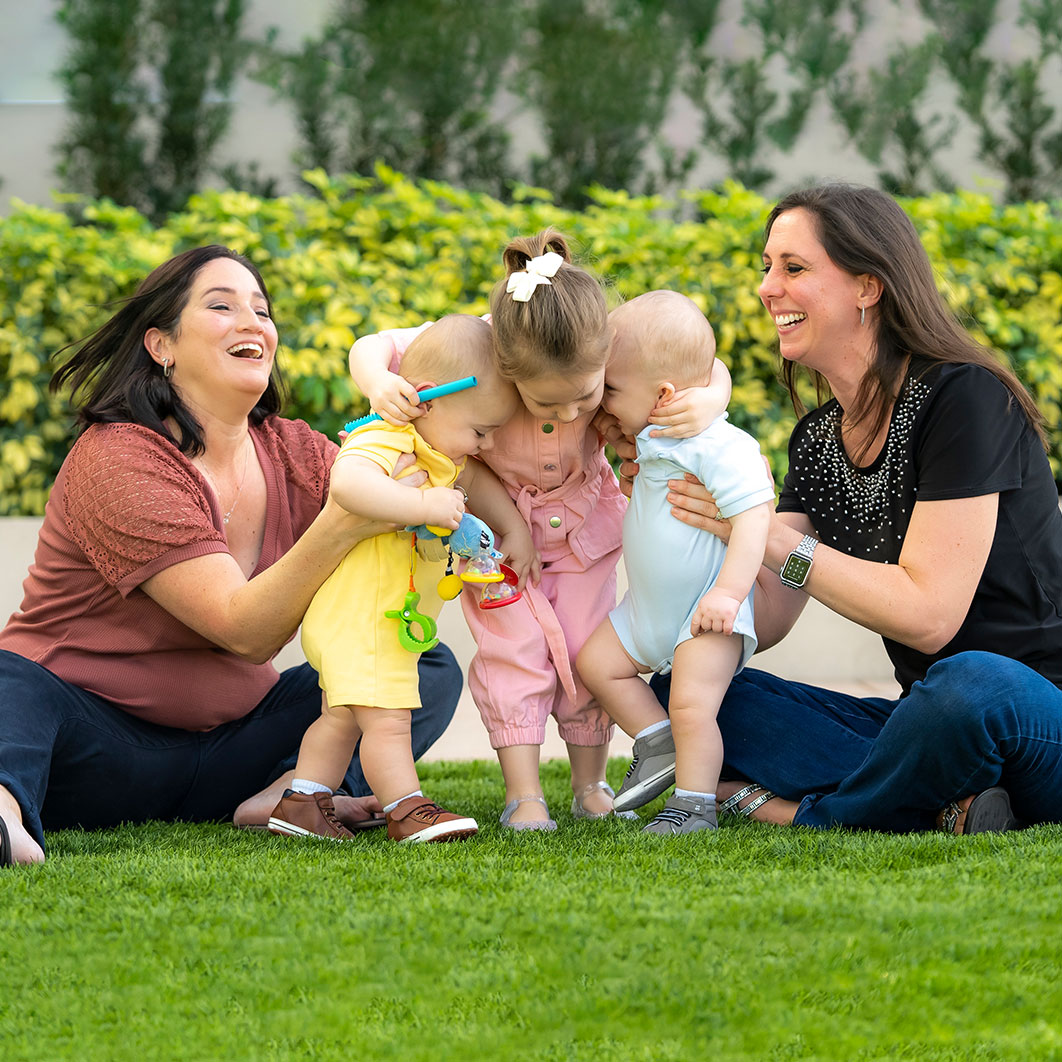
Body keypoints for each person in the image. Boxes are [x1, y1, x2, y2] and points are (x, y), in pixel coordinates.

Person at [0, 245, 464, 867]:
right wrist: (342, 524)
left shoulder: (297, 452)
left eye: (262, 311)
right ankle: (6, 819)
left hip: (236, 748)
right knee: (9, 681)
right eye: (221, 306)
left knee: (424, 663)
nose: (252, 323)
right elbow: (240, 630)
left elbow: (432, 457)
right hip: (90, 749)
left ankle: (295, 795)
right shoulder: (118, 458)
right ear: (161, 345)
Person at [646, 183, 1062, 834]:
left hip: (1027, 706)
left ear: (868, 286)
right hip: (923, 717)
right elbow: (768, 615)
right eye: (766, 268)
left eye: (794, 268)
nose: (767, 288)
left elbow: (929, 618)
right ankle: (947, 801)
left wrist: (765, 537)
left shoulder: (965, 399)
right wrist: (677, 502)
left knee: (972, 684)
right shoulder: (816, 440)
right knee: (690, 689)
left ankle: (799, 813)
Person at [350, 231, 732, 829]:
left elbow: (698, 359)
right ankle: (523, 794)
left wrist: (713, 398)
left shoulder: (605, 332)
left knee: (586, 653)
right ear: (509, 368)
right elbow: (375, 346)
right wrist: (377, 383)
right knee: (514, 655)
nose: (570, 415)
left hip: (587, 533)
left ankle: (590, 784)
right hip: (496, 544)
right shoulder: (482, 341)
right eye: (546, 404)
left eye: (585, 396)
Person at [267, 315, 522, 843]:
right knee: (389, 721)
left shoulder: (438, 454)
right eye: (481, 432)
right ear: (427, 400)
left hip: (366, 618)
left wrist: (515, 528)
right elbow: (350, 484)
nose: (488, 446)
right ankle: (407, 810)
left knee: (340, 718)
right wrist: (423, 503)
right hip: (365, 616)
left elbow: (476, 479)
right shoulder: (386, 438)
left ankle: (300, 804)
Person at [577, 291, 774, 835]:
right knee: (596, 664)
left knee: (692, 708)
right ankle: (656, 740)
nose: (601, 401)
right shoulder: (649, 436)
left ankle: (694, 805)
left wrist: (728, 595)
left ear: (663, 394)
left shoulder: (718, 443)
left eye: (610, 389)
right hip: (646, 612)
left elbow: (755, 517)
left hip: (704, 614)